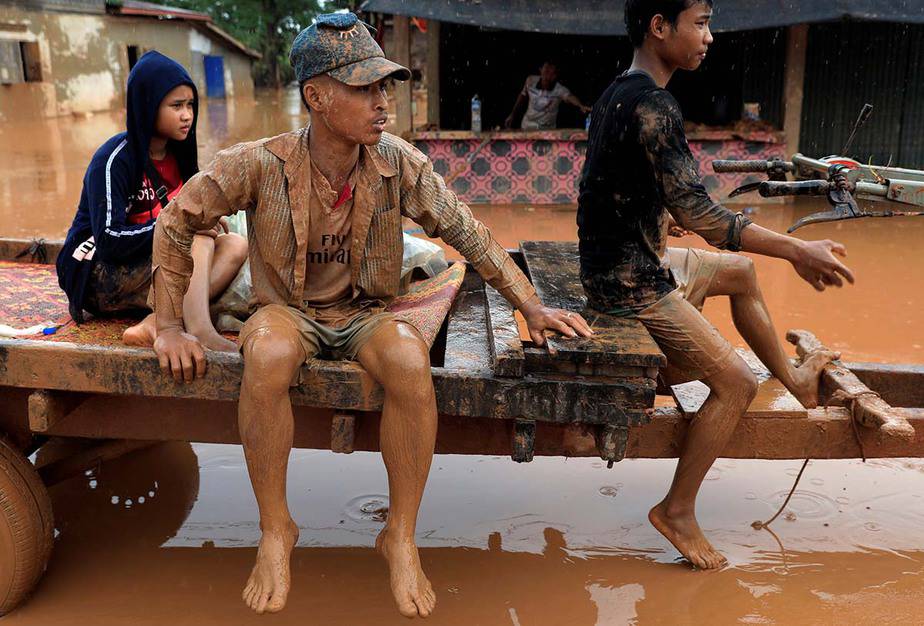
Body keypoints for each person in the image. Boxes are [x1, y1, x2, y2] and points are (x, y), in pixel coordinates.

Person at [149, 13, 592, 618]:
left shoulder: (399, 163)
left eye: (385, 87)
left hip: (365, 311)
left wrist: (531, 305)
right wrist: (170, 324)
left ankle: (399, 535)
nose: (382, 101)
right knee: (270, 355)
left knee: (411, 363)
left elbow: (464, 227)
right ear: (317, 97)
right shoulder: (258, 162)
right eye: (365, 88)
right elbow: (178, 220)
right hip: (288, 311)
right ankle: (277, 530)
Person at [577, 0, 855, 570]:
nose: (710, 36)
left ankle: (799, 383)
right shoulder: (655, 105)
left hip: (627, 256)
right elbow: (708, 220)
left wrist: (661, 214)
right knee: (734, 382)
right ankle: (677, 509)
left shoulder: (616, 92)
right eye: (699, 23)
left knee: (742, 273)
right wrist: (797, 248)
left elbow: (610, 187)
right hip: (630, 284)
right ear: (660, 27)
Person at [56, 51, 247, 351]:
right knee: (193, 234)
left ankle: (158, 321)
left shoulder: (180, 156)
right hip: (96, 273)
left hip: (151, 263)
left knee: (235, 244)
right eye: (176, 106)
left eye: (190, 105)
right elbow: (108, 240)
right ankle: (200, 329)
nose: (187, 115)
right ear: (147, 106)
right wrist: (177, 224)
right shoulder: (114, 160)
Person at [504, 60, 592, 129]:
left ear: (555, 76)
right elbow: (522, 96)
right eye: (546, 71)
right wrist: (512, 114)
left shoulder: (559, 90)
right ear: (540, 70)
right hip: (527, 125)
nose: (547, 76)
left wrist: (580, 105)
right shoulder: (530, 81)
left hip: (547, 129)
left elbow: (570, 97)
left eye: (551, 74)